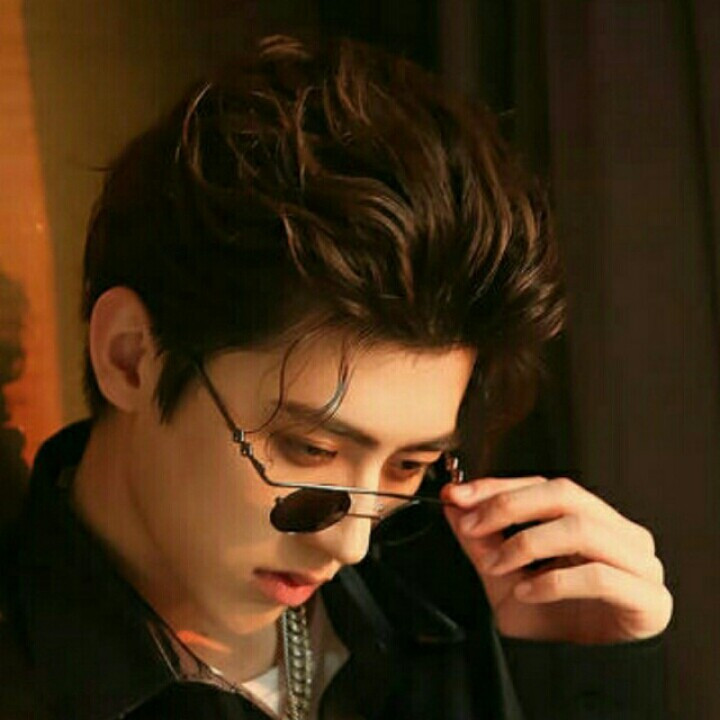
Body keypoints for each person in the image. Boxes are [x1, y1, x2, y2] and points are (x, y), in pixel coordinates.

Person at [0, 35, 672, 719]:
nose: (351, 543)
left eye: (410, 466)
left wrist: (585, 674)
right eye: (310, 450)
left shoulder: (461, 602)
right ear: (130, 357)